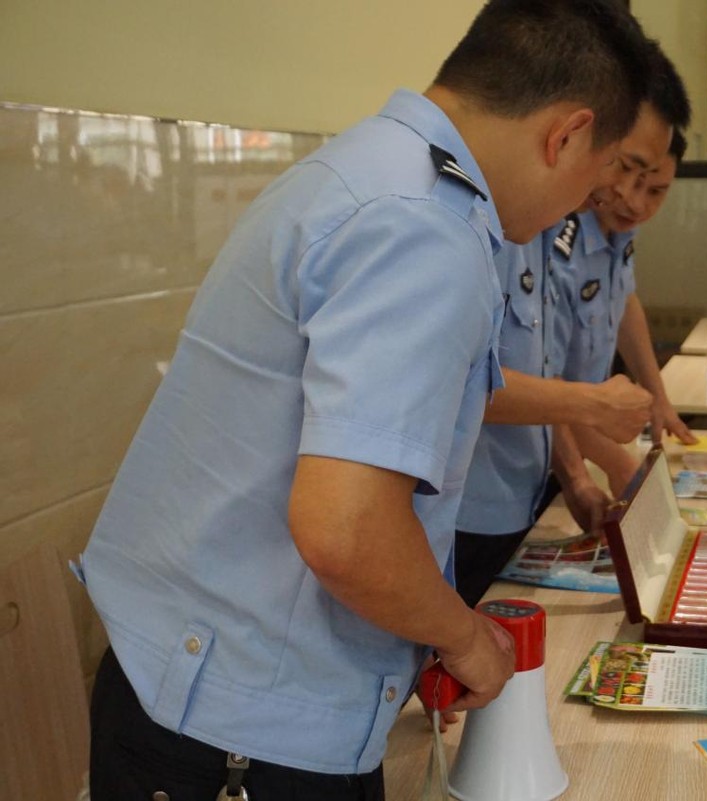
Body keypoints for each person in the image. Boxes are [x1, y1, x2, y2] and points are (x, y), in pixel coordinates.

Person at [80, 1, 652, 797]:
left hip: (205, 688)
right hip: (238, 732)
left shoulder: (370, 169)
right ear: (564, 136)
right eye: (588, 185)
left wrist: (406, 641)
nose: (573, 212)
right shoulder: (423, 230)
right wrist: (462, 636)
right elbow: (346, 530)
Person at [453, 42, 691, 607]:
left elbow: (614, 307)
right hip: (475, 493)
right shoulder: (503, 221)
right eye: (622, 167)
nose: (624, 195)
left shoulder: (550, 215)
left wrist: (652, 396)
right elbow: (477, 383)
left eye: (650, 183)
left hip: (527, 477)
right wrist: (598, 458)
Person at [556, 123, 697, 496]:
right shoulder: (557, 238)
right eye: (630, 180)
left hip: (588, 446)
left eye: (656, 191)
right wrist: (591, 472)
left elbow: (624, 302)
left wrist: (658, 397)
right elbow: (542, 380)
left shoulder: (619, 229)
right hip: (550, 450)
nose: (637, 203)